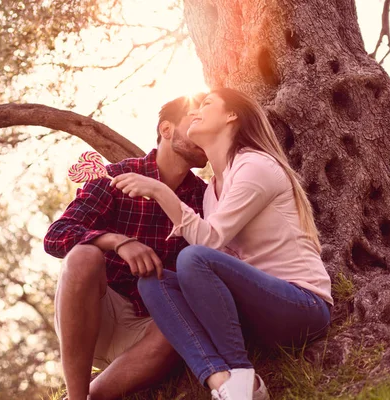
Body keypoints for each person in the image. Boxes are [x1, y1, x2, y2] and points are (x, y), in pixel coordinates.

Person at [112, 88, 333, 400]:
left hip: (300, 306)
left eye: (207, 103)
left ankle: (242, 376)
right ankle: (222, 381)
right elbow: (215, 260)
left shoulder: (255, 166)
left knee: (193, 257)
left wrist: (160, 192)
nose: (198, 110)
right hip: (254, 315)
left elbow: (208, 242)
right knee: (153, 280)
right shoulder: (210, 191)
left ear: (232, 116)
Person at [43, 93, 209, 400]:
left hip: (150, 329)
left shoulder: (204, 198)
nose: (203, 132)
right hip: (95, 313)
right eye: (194, 121)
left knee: (188, 321)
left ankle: (88, 397)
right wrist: (118, 242)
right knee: (83, 255)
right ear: (167, 129)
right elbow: (56, 236)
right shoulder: (116, 176)